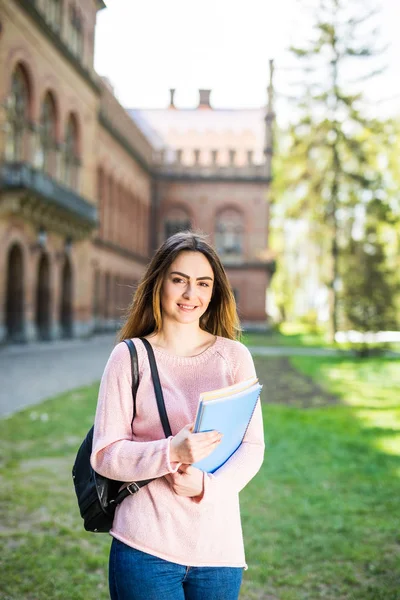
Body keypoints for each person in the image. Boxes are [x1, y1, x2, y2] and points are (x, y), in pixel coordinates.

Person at [91, 231, 265, 600]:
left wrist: (206, 487)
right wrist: (172, 451)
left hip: (219, 549)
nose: (191, 295)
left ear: (214, 290)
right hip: (145, 546)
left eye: (203, 283)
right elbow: (106, 454)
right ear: (159, 283)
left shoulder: (234, 357)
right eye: (179, 280)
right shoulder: (129, 357)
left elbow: (252, 448)